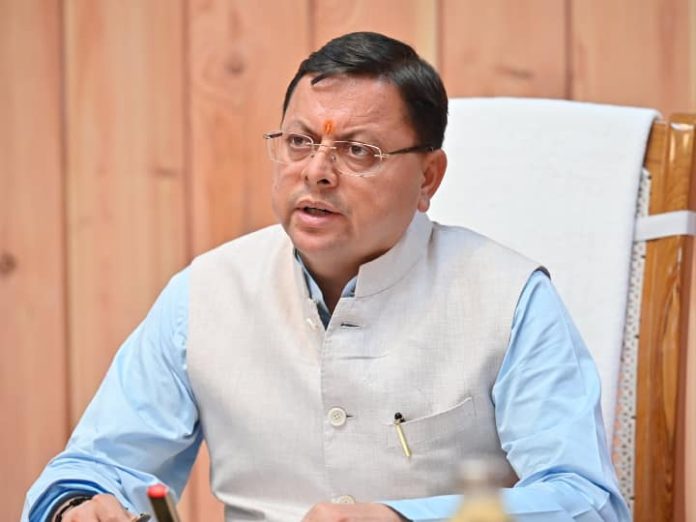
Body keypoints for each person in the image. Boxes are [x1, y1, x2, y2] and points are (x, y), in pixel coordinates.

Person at [23, 32, 630, 522]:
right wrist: (79, 507)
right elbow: (96, 467)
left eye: (359, 151)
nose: (316, 171)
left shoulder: (509, 297)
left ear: (428, 178)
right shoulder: (205, 294)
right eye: (299, 141)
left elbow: (586, 502)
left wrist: (403, 518)